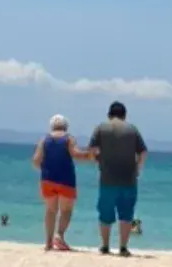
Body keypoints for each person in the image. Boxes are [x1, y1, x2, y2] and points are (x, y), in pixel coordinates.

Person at [86, 101, 148, 256]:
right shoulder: (132, 130)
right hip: (129, 178)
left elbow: (92, 150)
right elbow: (143, 152)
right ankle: (123, 247)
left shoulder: (101, 128)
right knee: (126, 215)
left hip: (107, 178)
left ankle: (105, 246)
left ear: (109, 114)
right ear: (124, 115)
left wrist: (98, 160)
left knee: (105, 214)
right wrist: (138, 169)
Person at [33, 114, 90, 251]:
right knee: (66, 210)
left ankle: (48, 242)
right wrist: (89, 155)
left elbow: (36, 160)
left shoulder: (44, 140)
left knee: (50, 210)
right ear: (66, 126)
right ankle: (59, 235)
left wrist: (45, 168)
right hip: (66, 179)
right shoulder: (68, 139)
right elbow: (75, 154)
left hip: (47, 179)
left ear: (51, 126)